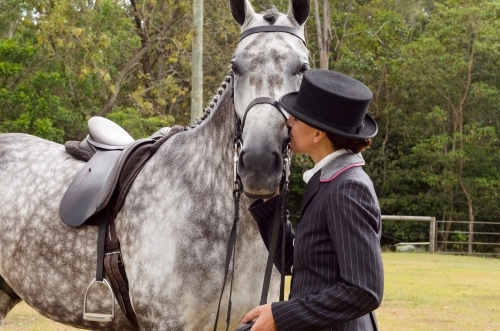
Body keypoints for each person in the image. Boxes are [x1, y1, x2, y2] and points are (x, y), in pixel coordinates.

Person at [240, 69, 384, 331]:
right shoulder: (327, 180)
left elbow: (365, 291)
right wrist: (269, 204)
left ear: (318, 134)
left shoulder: (348, 188)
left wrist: (281, 315)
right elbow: (295, 263)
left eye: (297, 117)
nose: (288, 122)